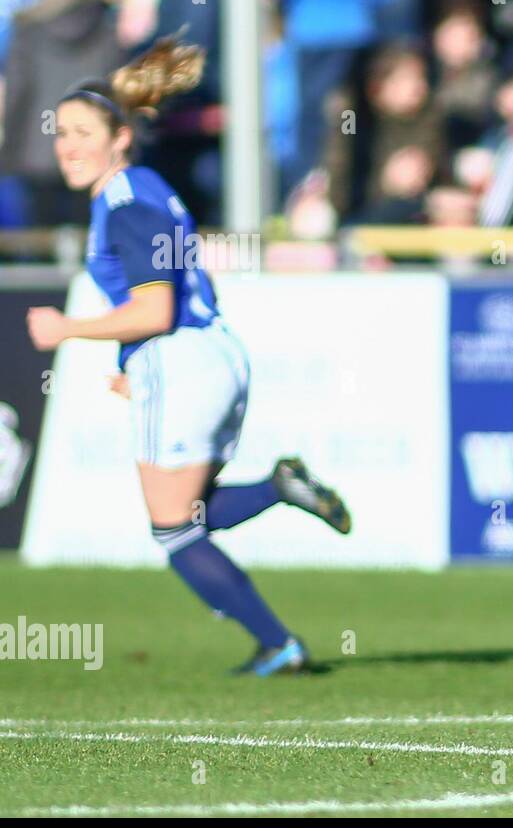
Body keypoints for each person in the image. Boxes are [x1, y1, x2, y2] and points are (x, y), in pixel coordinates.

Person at [25, 38, 352, 676]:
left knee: (173, 531)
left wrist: (68, 329)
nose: (66, 145)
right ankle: (280, 488)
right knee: (193, 508)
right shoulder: (147, 184)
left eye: (81, 132)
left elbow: (155, 310)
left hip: (179, 359)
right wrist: (132, 359)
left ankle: (279, 643)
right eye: (61, 132)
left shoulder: (121, 207)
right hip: (212, 353)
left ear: (120, 136)